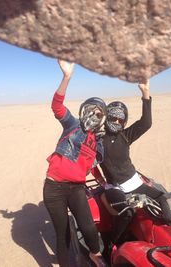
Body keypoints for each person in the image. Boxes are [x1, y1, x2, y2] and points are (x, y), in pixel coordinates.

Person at [43, 59, 107, 267]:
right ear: (85, 110)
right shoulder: (72, 124)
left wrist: (107, 183)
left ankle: (94, 255)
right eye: (92, 110)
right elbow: (56, 105)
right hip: (54, 188)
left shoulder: (98, 142)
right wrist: (66, 77)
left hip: (76, 188)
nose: (94, 115)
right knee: (62, 236)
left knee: (88, 227)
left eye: (100, 114)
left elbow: (95, 166)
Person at [93, 79, 166, 245]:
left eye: (120, 120)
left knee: (164, 199)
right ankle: (112, 244)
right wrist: (102, 183)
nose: (117, 122)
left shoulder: (125, 136)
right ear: (107, 117)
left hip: (135, 183)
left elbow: (146, 123)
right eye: (113, 118)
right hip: (115, 188)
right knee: (128, 212)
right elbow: (89, 162)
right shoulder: (98, 140)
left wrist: (145, 93)